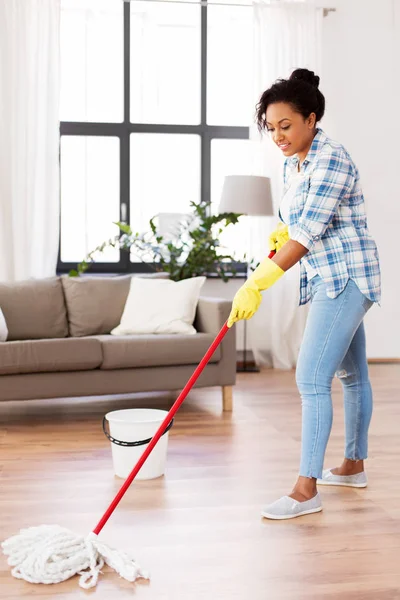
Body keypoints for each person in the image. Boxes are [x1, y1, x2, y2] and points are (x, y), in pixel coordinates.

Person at [227, 68, 381, 520]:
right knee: (351, 376)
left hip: (347, 277)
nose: (278, 136)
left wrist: (257, 281)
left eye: (286, 125)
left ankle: (305, 490)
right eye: (271, 128)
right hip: (329, 276)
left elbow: (308, 234)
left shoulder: (331, 158)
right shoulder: (296, 160)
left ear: (312, 118)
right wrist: (280, 230)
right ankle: (352, 467)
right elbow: (297, 220)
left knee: (310, 379)